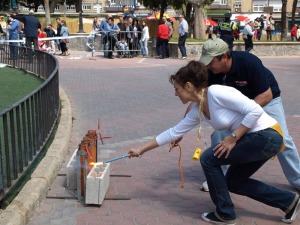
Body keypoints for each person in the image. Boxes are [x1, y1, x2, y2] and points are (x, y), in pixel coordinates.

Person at [128, 60, 300, 225]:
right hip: (260, 140)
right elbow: (174, 132)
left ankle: (225, 213)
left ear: (188, 86)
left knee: (208, 158)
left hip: (267, 136)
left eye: (177, 89)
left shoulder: (217, 92)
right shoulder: (199, 107)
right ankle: (289, 202)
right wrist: (141, 150)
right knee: (233, 182)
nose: (175, 93)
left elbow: (255, 110)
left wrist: (233, 137)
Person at [198, 38, 300, 194]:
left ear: (224, 56)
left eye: (211, 61)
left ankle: (298, 179)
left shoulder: (248, 62)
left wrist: (245, 116)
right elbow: (200, 97)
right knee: (219, 134)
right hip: (240, 106)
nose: (208, 65)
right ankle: (220, 176)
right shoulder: (213, 72)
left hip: (266, 99)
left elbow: (266, 95)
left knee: (282, 138)